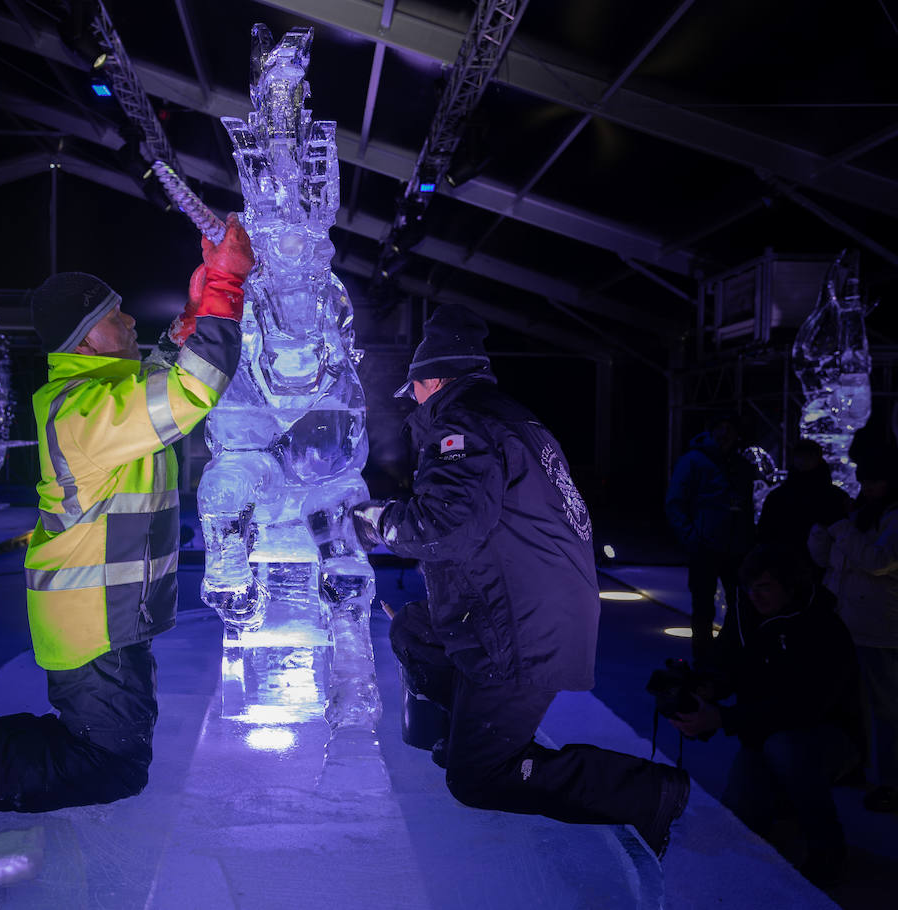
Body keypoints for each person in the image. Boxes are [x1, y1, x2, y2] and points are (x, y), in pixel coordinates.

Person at [0, 216, 255, 889]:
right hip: (93, 620)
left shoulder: (100, 397)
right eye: (116, 317)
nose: (131, 323)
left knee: (103, 749)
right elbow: (189, 391)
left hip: (106, 613)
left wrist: (196, 313)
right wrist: (225, 291)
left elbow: (161, 381)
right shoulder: (84, 410)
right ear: (86, 338)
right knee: (108, 762)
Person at [351, 304, 690, 858]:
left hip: (520, 629)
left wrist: (378, 522)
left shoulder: (464, 425)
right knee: (415, 628)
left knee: (477, 780)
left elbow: (444, 526)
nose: (412, 402)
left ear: (433, 380)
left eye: (413, 390)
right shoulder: (503, 417)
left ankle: (649, 792)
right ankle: (464, 732)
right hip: (525, 608)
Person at [670, 544, 862, 887]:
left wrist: (723, 718)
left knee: (785, 749)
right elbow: (726, 665)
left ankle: (827, 847)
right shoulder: (746, 616)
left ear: (790, 586)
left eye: (764, 587)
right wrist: (706, 688)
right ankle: (783, 801)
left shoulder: (822, 626)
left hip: (829, 736)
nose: (754, 596)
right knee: (740, 819)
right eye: (749, 587)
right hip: (764, 733)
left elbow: (804, 707)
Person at [808, 445, 898, 813]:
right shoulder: (863, 514)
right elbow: (827, 559)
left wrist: (839, 526)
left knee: (888, 709)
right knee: (851, 704)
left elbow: (879, 561)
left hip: (881, 625)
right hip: (847, 620)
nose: (867, 488)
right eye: (863, 481)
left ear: (892, 481)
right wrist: (821, 528)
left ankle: (894, 784)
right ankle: (853, 765)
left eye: (874, 481)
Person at [665, 413, 755, 662]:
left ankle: (728, 655)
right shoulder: (693, 461)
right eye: (720, 427)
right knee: (703, 608)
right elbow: (675, 503)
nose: (725, 433)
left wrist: (749, 539)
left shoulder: (742, 465)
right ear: (711, 431)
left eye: (730, 428)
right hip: (705, 546)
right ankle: (704, 662)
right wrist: (692, 537)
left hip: (737, 547)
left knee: (740, 604)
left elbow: (747, 505)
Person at [755, 438, 850, 591]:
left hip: (814, 571)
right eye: (802, 456)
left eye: (808, 457)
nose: (804, 461)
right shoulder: (835, 496)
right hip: (796, 571)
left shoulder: (779, 497)